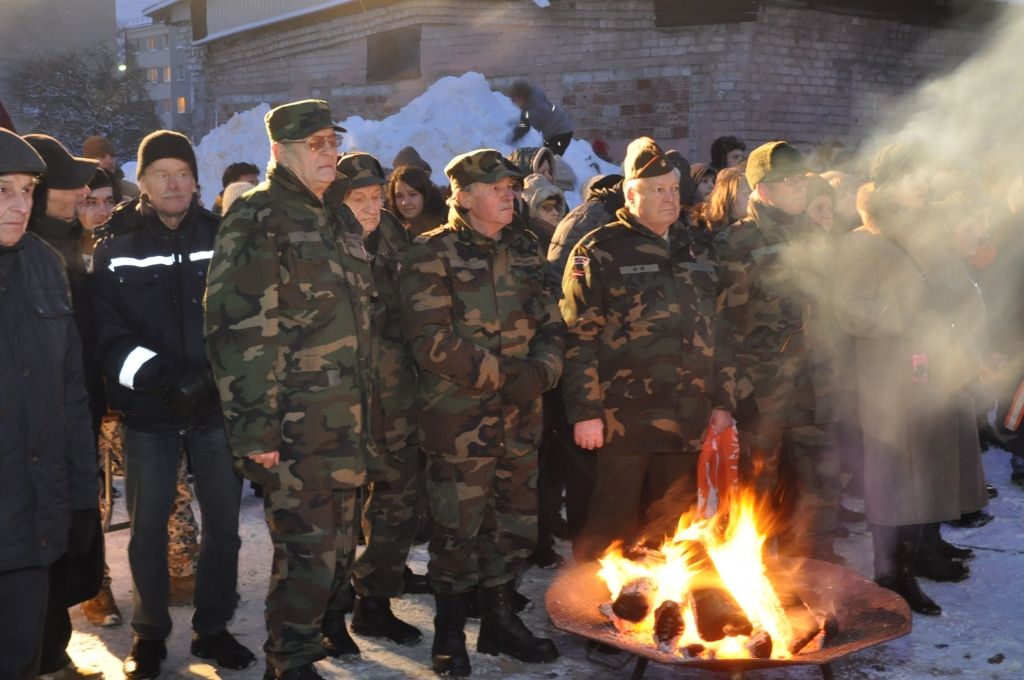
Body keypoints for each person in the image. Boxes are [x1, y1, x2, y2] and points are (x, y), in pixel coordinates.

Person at [204, 100, 375, 680]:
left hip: (346, 421)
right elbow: (237, 327)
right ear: (279, 151)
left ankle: (313, 643)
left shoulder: (337, 215)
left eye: (333, 140)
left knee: (336, 553)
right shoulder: (258, 215)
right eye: (315, 144)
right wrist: (257, 429)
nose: (330, 152)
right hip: (296, 426)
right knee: (306, 555)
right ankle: (290, 662)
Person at [90, 130, 253, 679]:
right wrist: (160, 378)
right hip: (149, 414)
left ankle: (213, 628)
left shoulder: (223, 233)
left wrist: (212, 377)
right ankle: (150, 633)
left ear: (196, 180)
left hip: (213, 408)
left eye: (182, 173)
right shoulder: (116, 243)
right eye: (161, 174)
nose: (174, 183)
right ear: (142, 183)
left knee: (225, 527)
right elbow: (106, 333)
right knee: (149, 527)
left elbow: (243, 316)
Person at [400, 148, 564, 676]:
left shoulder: (527, 250)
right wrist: (506, 376)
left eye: (511, 187)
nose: (509, 195)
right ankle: (449, 633)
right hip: (458, 422)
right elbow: (430, 340)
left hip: (521, 417)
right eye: (497, 188)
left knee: (514, 523)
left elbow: (553, 324)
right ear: (464, 197)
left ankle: (498, 620)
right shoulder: (430, 254)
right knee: (456, 529)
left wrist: (542, 372)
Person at [561, 137, 738, 561]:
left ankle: (662, 614)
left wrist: (723, 401)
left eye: (674, 189)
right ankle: (593, 616)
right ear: (631, 193)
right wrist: (585, 413)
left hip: (687, 417)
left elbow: (722, 332)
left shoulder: (699, 249)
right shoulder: (599, 250)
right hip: (622, 420)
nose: (669, 198)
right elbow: (577, 337)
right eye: (657, 189)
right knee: (611, 528)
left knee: (675, 528)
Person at [833, 143, 987, 615]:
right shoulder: (863, 240)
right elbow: (850, 310)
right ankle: (890, 573)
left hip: (935, 367)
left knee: (933, 462)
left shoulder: (930, 229)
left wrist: (964, 313)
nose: (925, 184)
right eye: (916, 176)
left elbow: (959, 288)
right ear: (891, 184)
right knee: (895, 474)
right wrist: (912, 310)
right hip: (889, 379)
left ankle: (921, 551)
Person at [0, 128, 99, 680]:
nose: (20, 206)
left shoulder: (42, 264)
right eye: (4, 190)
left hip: (30, 523)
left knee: (22, 660)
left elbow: (71, 394)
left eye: (28, 190)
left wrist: (82, 500)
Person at [715, 141, 842, 563]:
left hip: (814, 383)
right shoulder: (737, 243)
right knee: (756, 490)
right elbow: (722, 326)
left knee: (820, 483)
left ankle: (813, 570)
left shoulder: (815, 235)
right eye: (787, 181)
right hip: (762, 391)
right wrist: (737, 390)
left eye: (800, 180)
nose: (799, 188)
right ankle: (751, 578)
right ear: (762, 190)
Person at [23, 134, 109, 679]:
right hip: (39, 424)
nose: (84, 188)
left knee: (66, 536)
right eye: (69, 182)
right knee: (37, 538)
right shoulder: (33, 253)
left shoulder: (72, 244)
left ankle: (53, 648)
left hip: (78, 412)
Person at [335, 150, 425, 646]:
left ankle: (375, 602)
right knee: (338, 515)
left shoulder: (392, 234)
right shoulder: (323, 238)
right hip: (341, 402)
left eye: (375, 197)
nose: (370, 208)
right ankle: (331, 613)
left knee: (397, 504)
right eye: (358, 199)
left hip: (395, 399)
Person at [508, 80, 574, 156]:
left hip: (561, 132)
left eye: (514, 99)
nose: (513, 102)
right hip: (555, 133)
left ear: (521, 97)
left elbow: (528, 124)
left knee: (547, 160)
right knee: (546, 159)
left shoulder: (536, 108)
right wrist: (512, 139)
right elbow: (524, 125)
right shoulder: (529, 105)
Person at [386, 165, 446, 238]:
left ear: (425, 195)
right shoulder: (393, 234)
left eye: (413, 194)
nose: (405, 202)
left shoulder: (447, 229)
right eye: (399, 196)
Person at [690, 166, 751, 232]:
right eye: (745, 193)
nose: (751, 197)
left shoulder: (754, 225)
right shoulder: (704, 229)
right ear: (728, 197)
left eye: (752, 192)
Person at [82, 135, 140, 200]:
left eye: (112, 156)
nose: (110, 161)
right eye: (102, 157)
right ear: (89, 161)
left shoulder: (133, 191)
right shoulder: (78, 193)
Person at [522, 172, 566, 251]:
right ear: (532, 210)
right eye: (547, 207)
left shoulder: (564, 237)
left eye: (556, 207)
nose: (555, 213)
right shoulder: (529, 246)